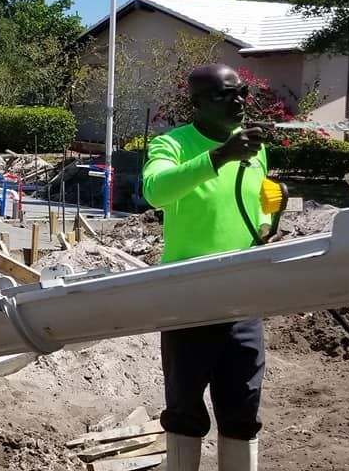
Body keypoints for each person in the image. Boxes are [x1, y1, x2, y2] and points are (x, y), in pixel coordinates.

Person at [142, 63, 272, 471]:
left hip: (241, 300)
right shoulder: (172, 145)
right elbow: (155, 191)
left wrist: (268, 219)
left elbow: (258, 198)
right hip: (187, 299)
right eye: (226, 94)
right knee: (184, 410)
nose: (239, 101)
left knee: (242, 411)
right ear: (197, 103)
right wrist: (218, 157)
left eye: (242, 93)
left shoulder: (254, 147)